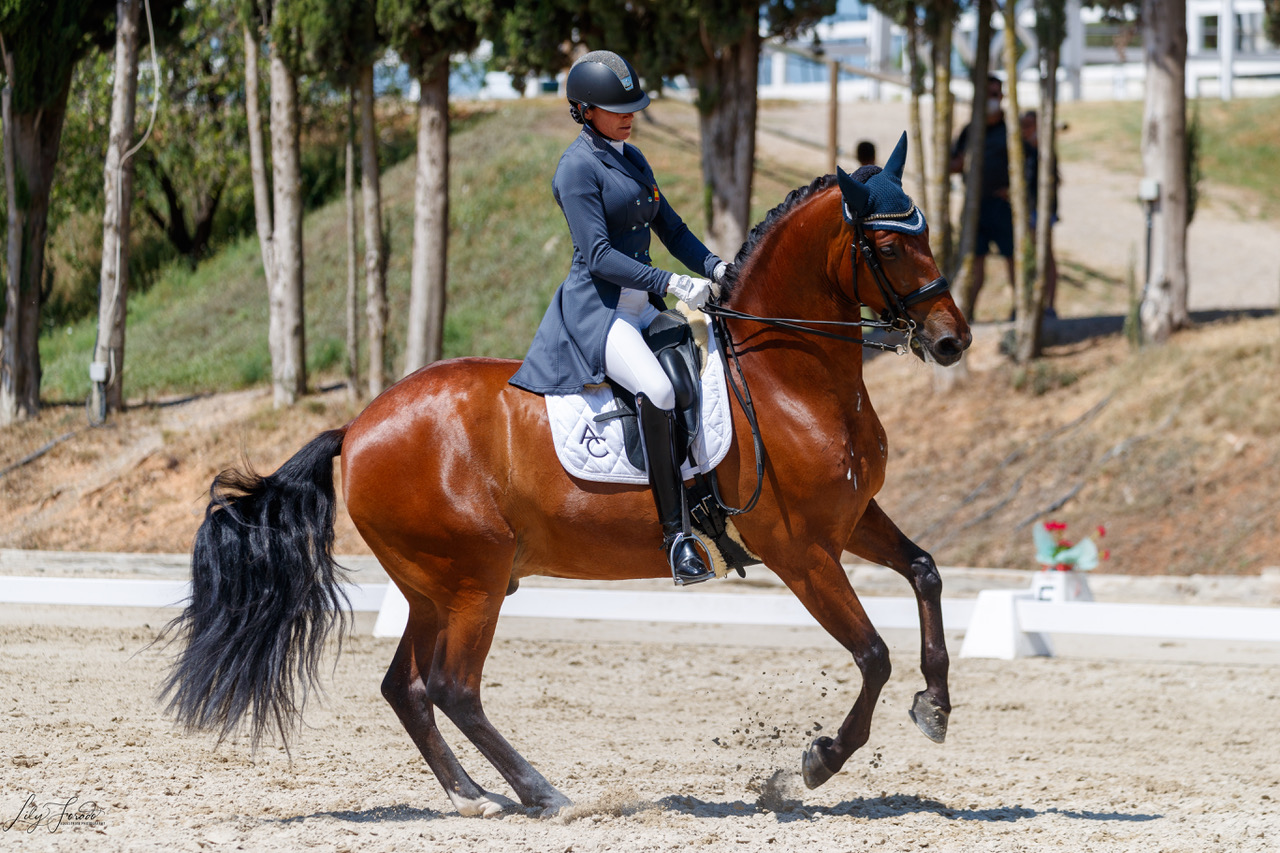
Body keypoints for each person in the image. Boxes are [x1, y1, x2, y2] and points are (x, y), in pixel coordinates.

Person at [510, 50, 728, 586]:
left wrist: (721, 267)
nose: (629, 114)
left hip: (644, 307)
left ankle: (708, 500)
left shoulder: (632, 158)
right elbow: (601, 254)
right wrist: (674, 283)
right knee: (655, 389)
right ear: (585, 110)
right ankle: (676, 538)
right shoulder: (576, 168)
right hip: (600, 313)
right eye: (616, 107)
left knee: (702, 378)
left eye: (632, 105)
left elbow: (672, 230)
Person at [950, 75, 1016, 321]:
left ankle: (1019, 309)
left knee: (1013, 260)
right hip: (975, 206)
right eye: (987, 94)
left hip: (1004, 206)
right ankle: (968, 314)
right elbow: (954, 163)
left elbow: (1027, 164)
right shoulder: (970, 130)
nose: (992, 99)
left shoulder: (1010, 130)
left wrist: (1014, 190)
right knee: (974, 262)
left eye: (995, 94)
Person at [1020, 110, 1060, 318]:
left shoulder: (1044, 151)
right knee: (1028, 256)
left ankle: (1049, 305)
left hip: (1041, 211)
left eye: (1029, 125)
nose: (1026, 130)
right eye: (1023, 125)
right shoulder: (1020, 149)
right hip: (1025, 211)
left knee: (1045, 255)